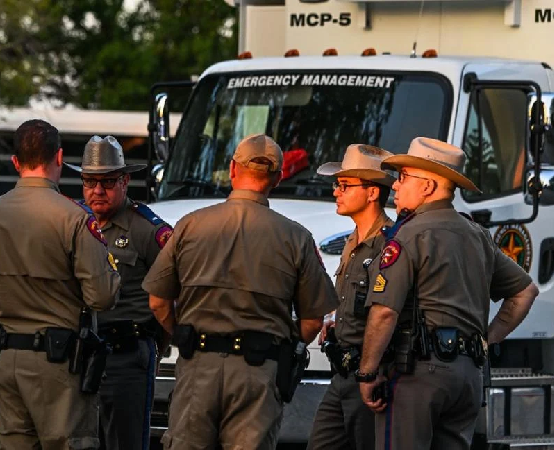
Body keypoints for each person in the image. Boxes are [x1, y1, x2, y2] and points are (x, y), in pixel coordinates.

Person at [142, 133, 339, 450]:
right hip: (257, 373)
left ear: (233, 170)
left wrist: (182, 333)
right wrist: (284, 346)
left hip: (197, 367)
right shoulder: (297, 237)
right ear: (276, 179)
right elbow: (314, 320)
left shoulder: (190, 225)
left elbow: (158, 301)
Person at [357, 137, 539, 450]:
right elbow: (525, 291)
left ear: (427, 186)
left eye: (402, 178)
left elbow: (385, 311)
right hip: (469, 376)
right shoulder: (477, 234)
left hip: (418, 373)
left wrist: (367, 372)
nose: (395, 187)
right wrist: (487, 338)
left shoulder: (409, 234)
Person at [0, 120, 121, 449]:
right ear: (59, 157)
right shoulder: (74, 217)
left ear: (15, 162)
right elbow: (103, 296)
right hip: (57, 364)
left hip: (6, 357)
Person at [66, 135, 173, 450]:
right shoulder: (72, 222)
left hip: (125, 355)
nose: (97, 190)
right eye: (89, 181)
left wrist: (155, 343)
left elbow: (174, 292)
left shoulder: (148, 231)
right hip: (78, 353)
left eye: (108, 182)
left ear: (125, 181)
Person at [307, 144, 395, 450]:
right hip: (342, 372)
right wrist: (334, 321)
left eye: (345, 185)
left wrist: (370, 371)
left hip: (367, 373)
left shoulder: (387, 245)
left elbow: (387, 311)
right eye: (337, 184)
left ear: (372, 193)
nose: (336, 192)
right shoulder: (352, 241)